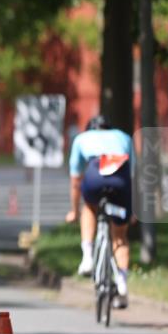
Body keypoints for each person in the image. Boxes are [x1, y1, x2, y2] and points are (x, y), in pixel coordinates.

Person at [65, 115, 134, 308]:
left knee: (89, 206)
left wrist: (74, 211)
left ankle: (87, 257)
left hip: (96, 172)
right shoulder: (124, 137)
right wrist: (133, 209)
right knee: (120, 237)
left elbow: (75, 181)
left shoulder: (82, 138)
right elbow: (133, 175)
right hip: (121, 176)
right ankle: (122, 285)